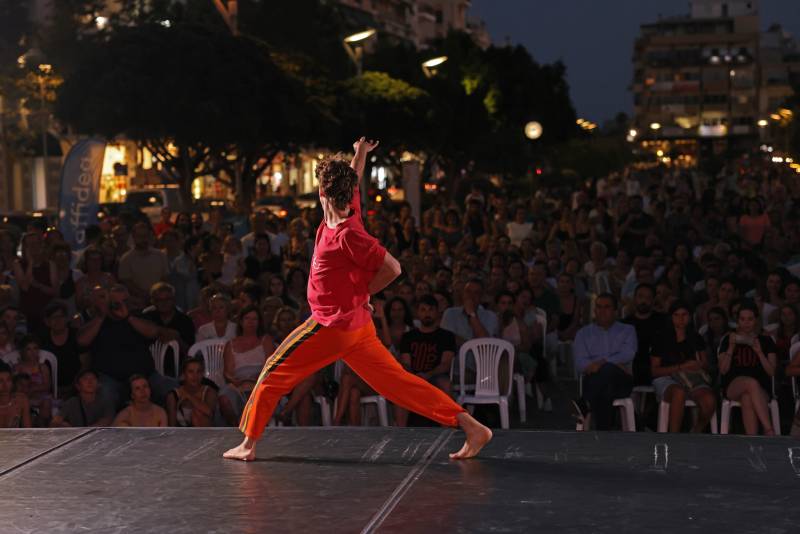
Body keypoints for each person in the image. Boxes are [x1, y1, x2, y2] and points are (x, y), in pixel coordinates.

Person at [224, 138, 491, 461]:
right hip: (357, 329)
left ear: (322, 192)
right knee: (399, 385)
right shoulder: (346, 211)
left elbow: (394, 268)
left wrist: (363, 293)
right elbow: (353, 177)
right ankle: (472, 426)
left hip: (331, 326)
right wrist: (360, 153)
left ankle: (248, 444)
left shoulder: (348, 234)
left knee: (273, 372)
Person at [77, 284, 176, 409]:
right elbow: (81, 341)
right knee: (105, 394)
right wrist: (102, 316)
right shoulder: (98, 321)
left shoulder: (137, 317)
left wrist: (128, 317)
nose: (121, 305)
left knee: (172, 388)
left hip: (145, 376)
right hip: (111, 379)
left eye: (125, 301)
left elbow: (153, 332)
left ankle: (171, 421)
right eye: (116, 302)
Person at [572, 293, 637, 431]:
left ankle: (585, 402)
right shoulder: (583, 334)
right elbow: (580, 363)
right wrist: (612, 363)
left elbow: (628, 353)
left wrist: (602, 363)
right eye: (599, 307)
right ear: (594, 310)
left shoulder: (627, 330)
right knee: (605, 387)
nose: (602, 311)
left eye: (607, 307)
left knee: (607, 369)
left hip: (621, 381)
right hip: (595, 381)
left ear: (615, 311)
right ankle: (604, 431)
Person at [650, 301, 716, 433]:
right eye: (676, 315)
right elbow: (654, 371)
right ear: (671, 317)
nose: (680, 318)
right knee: (678, 393)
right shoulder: (660, 337)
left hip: (692, 378)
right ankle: (674, 437)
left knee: (709, 400)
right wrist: (681, 367)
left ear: (690, 316)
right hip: (667, 378)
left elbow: (705, 364)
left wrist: (698, 365)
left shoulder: (696, 337)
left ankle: (696, 431)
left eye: (684, 314)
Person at [393, 295, 457, 427]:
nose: (427, 313)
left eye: (430, 309)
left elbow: (446, 364)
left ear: (437, 312)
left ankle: (447, 429)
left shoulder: (447, 336)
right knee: (400, 386)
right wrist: (416, 377)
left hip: (436, 376)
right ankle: (400, 432)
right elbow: (406, 363)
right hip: (414, 376)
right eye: (423, 310)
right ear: (417, 313)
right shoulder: (408, 337)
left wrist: (428, 374)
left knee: (446, 384)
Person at [718, 302, 777, 436]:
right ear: (737, 320)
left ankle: (752, 440)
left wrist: (759, 352)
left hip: (761, 387)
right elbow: (723, 370)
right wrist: (731, 348)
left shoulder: (766, 341)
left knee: (747, 397)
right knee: (750, 383)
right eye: (742, 319)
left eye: (750, 319)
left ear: (756, 320)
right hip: (734, 384)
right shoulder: (728, 339)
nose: (746, 323)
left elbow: (772, 372)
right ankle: (769, 430)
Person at [218, 306, 273, 426]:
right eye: (247, 318)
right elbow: (227, 372)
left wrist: (256, 379)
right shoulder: (231, 344)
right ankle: (235, 427)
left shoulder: (265, 340)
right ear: (241, 322)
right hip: (238, 384)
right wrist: (236, 381)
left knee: (258, 396)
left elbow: (270, 367)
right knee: (225, 398)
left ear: (259, 322)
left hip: (261, 382)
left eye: (254, 319)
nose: (251, 322)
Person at [118, 222, 169, 310]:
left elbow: (165, 277)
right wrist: (144, 294)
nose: (143, 239)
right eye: (140, 236)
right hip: (138, 304)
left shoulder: (160, 255)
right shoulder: (126, 259)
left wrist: (157, 293)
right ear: (134, 237)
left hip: (160, 302)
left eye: (145, 236)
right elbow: (126, 282)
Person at [39, 300, 85, 399]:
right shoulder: (41, 338)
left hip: (76, 388)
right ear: (47, 322)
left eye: (61, 316)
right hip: (48, 390)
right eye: (54, 317)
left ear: (66, 318)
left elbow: (85, 363)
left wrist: (74, 387)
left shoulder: (76, 335)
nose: (58, 320)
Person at [623, 283, 665, 386]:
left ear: (653, 300)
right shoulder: (625, 324)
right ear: (634, 299)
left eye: (648, 297)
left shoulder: (663, 321)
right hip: (633, 368)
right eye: (640, 296)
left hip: (658, 366)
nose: (643, 301)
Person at [166, 357, 218, 427]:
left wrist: (189, 397)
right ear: (183, 375)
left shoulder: (209, 392)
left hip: (204, 432)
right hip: (180, 432)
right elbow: (172, 426)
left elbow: (210, 413)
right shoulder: (173, 395)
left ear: (202, 374)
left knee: (197, 414)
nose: (195, 376)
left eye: (198, 372)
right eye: (190, 372)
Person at [13, 335, 52, 426]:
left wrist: (33, 389)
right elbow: (14, 385)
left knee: (46, 403)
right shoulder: (18, 368)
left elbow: (47, 385)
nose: (32, 352)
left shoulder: (42, 367)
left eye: (35, 348)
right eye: (28, 349)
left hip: (40, 396)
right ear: (23, 351)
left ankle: (41, 427)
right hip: (24, 396)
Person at [0, 363, 30, 428]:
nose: (5, 386)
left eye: (8, 380)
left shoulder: (21, 400)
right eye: (0, 381)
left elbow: (27, 429)